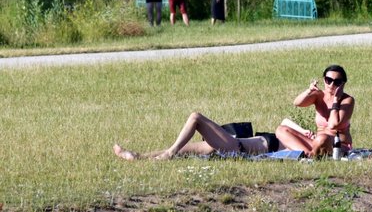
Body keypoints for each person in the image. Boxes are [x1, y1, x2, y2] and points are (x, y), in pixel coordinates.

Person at [113, 112, 279, 160]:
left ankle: (168, 155)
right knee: (184, 149)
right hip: (234, 143)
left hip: (237, 147)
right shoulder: (290, 136)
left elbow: (302, 148)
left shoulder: (294, 145)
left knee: (196, 118)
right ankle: (138, 156)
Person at [276, 64, 355, 158]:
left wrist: (336, 100)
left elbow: (333, 125)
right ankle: (307, 155)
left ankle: (308, 155)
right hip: (316, 142)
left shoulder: (347, 100)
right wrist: (309, 91)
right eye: (328, 80)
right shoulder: (319, 95)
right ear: (324, 80)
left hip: (338, 146)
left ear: (343, 84)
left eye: (337, 82)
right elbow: (297, 103)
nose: (331, 85)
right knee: (281, 130)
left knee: (322, 138)